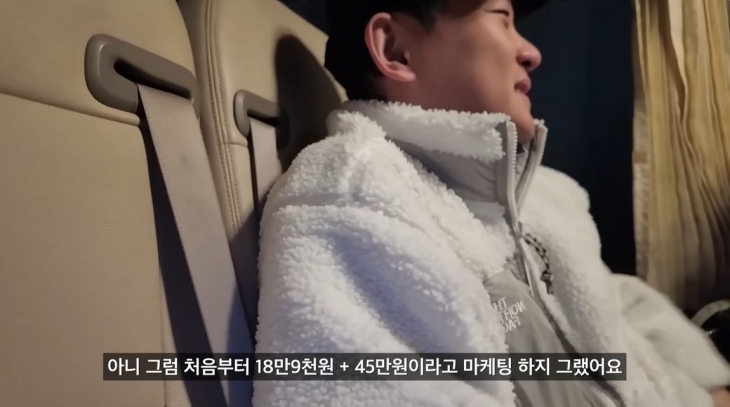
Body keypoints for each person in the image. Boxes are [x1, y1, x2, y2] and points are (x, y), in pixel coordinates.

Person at [253, 0, 730, 406]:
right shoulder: (352, 198)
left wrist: (702, 392)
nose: (531, 52)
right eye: (502, 17)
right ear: (395, 50)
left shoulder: (547, 194)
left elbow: (611, 310)